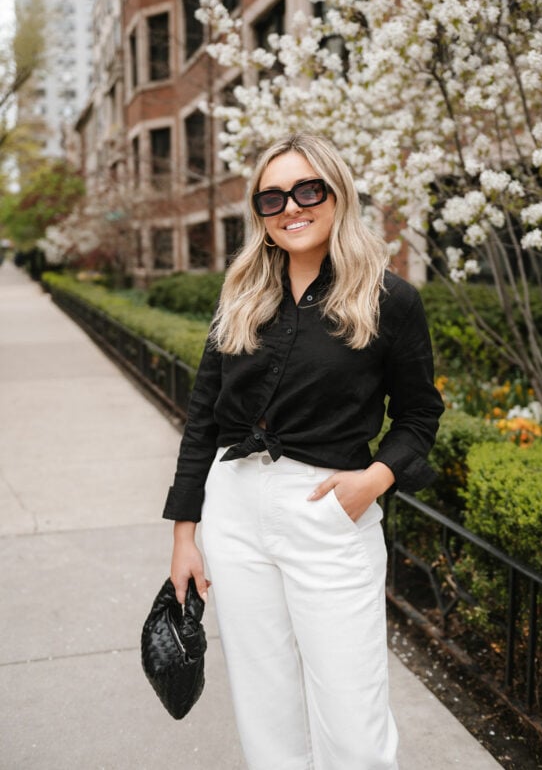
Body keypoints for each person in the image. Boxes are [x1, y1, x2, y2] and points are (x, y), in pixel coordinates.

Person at [163, 132, 444, 770]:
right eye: (272, 198)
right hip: (235, 510)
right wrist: (184, 535)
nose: (291, 207)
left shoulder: (388, 298)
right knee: (265, 707)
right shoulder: (241, 295)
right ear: (259, 213)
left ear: (337, 194)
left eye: (307, 190)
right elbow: (203, 417)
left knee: (352, 718)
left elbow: (419, 414)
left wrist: (375, 479)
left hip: (327, 510)